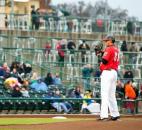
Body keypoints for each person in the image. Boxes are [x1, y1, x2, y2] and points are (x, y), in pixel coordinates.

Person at [98, 35, 120, 121]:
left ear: (111, 41)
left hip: (107, 72)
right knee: (111, 95)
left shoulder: (109, 48)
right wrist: (102, 53)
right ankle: (115, 114)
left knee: (105, 94)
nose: (106, 42)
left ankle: (104, 116)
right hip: (114, 72)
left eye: (107, 41)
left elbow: (105, 61)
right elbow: (109, 58)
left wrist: (99, 55)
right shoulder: (116, 49)